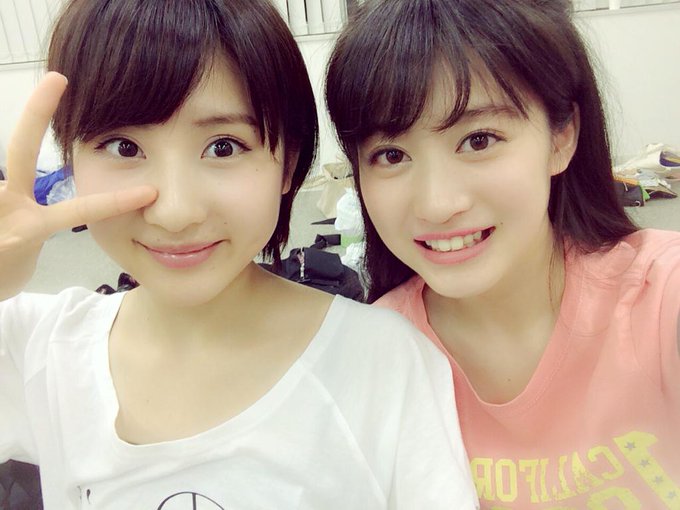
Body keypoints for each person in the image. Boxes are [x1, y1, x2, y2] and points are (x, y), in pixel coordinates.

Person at [0, 1, 480, 508]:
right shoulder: (36, 347)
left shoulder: (383, 363)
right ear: (70, 158)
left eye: (223, 147)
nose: (175, 213)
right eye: (123, 147)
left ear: (288, 163)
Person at [325, 0, 680, 508]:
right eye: (392, 155)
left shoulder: (659, 296)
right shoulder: (373, 360)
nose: (438, 204)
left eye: (479, 140)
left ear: (561, 136)